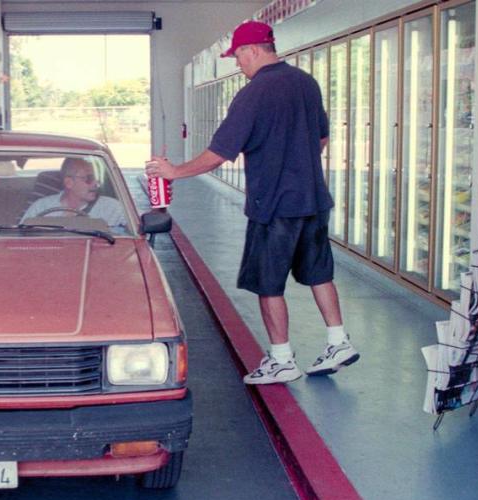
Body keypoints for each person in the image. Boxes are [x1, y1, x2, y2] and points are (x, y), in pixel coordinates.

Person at [144, 20, 360, 385]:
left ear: (253, 50)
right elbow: (321, 139)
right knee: (319, 272)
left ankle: (281, 359)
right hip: (313, 199)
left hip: (274, 204)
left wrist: (174, 171)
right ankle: (339, 341)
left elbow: (218, 153)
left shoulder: (254, 93)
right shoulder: (306, 83)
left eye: (238, 56)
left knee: (268, 283)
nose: (237, 64)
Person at [22, 157, 127, 230]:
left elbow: (136, 232)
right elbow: (21, 235)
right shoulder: (41, 206)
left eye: (97, 179)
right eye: (89, 178)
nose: (96, 184)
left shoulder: (113, 207)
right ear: (69, 183)